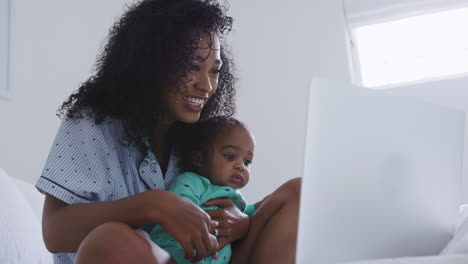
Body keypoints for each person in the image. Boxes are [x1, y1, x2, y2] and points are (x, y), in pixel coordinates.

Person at [36, 0, 301, 263]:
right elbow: (54, 233)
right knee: (111, 241)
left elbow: (217, 199)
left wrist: (241, 222)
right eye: (192, 67)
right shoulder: (93, 122)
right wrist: (154, 205)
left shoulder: (199, 137)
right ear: (151, 61)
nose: (207, 86)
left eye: (215, 71)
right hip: (131, 256)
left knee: (297, 193)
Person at [149, 116, 259, 264]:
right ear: (198, 159)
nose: (241, 166)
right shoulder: (192, 181)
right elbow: (180, 212)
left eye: (247, 161)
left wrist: (264, 204)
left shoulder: (235, 197)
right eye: (230, 156)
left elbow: (244, 216)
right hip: (178, 254)